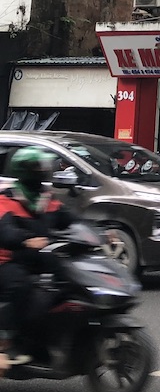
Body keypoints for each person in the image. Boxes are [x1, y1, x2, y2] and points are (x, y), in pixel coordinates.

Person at [0, 147, 112, 369]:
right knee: (20, 286)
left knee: (68, 284)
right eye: (39, 168)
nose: (45, 171)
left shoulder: (47, 199)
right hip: (9, 260)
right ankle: (6, 343)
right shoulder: (7, 200)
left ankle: (47, 339)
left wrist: (101, 233)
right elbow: (5, 232)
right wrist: (25, 239)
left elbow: (73, 220)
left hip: (38, 258)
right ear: (26, 171)